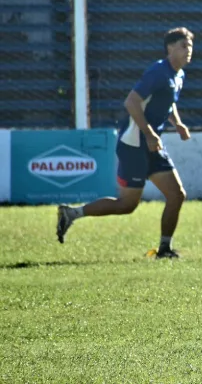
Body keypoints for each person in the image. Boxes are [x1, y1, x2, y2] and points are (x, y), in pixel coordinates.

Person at [56, 27, 194, 258]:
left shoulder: (178, 75)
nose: (189, 50)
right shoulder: (158, 72)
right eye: (184, 46)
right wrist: (149, 133)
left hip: (152, 145)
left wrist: (177, 123)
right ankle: (71, 213)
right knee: (127, 205)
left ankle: (164, 249)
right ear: (170, 48)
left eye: (190, 46)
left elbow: (168, 102)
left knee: (177, 194)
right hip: (135, 145)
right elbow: (131, 102)